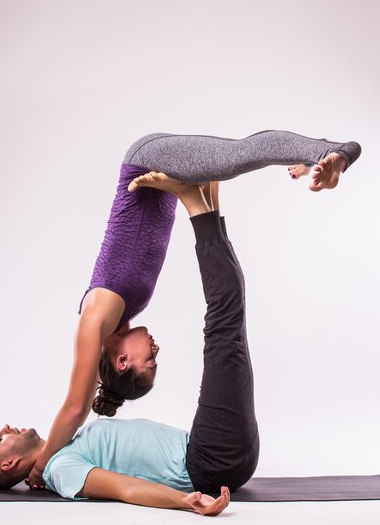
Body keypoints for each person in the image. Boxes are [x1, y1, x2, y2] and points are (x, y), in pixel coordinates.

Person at [25, 131, 361, 488]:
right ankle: (318, 154)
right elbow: (98, 381)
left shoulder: (95, 317)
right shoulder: (120, 319)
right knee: (231, 162)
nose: (156, 350)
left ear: (121, 361)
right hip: (166, 176)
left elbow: (76, 408)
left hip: (145, 160)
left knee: (236, 156)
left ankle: (335, 153)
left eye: (148, 361)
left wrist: (42, 465)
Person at [0, 179, 260, 515]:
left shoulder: (62, 445)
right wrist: (186, 501)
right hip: (208, 460)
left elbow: (93, 387)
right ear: (8, 464)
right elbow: (125, 488)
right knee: (225, 324)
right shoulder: (59, 470)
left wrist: (104, 349)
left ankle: (206, 201)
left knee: (229, 324)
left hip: (217, 456)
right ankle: (199, 207)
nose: (5, 428)